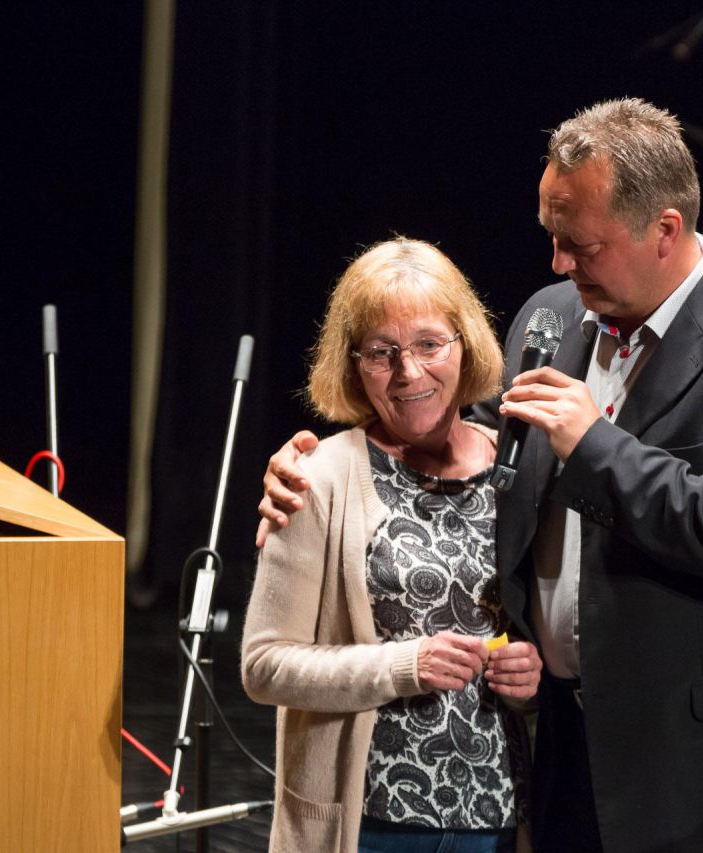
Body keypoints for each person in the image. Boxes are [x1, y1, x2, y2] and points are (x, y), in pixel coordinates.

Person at [259, 98, 703, 852]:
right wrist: (322, 467)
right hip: (570, 752)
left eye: (580, 244)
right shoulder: (554, 317)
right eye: (552, 236)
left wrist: (595, 445)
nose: (559, 263)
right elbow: (468, 443)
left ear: (665, 231)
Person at [241, 237, 543, 853]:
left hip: (498, 818)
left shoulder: (519, 468)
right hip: (370, 825)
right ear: (353, 366)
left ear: (466, 344)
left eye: (430, 344)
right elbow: (264, 666)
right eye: (382, 353)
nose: (409, 372)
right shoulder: (318, 478)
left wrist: (533, 677)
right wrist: (403, 666)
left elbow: (550, 622)